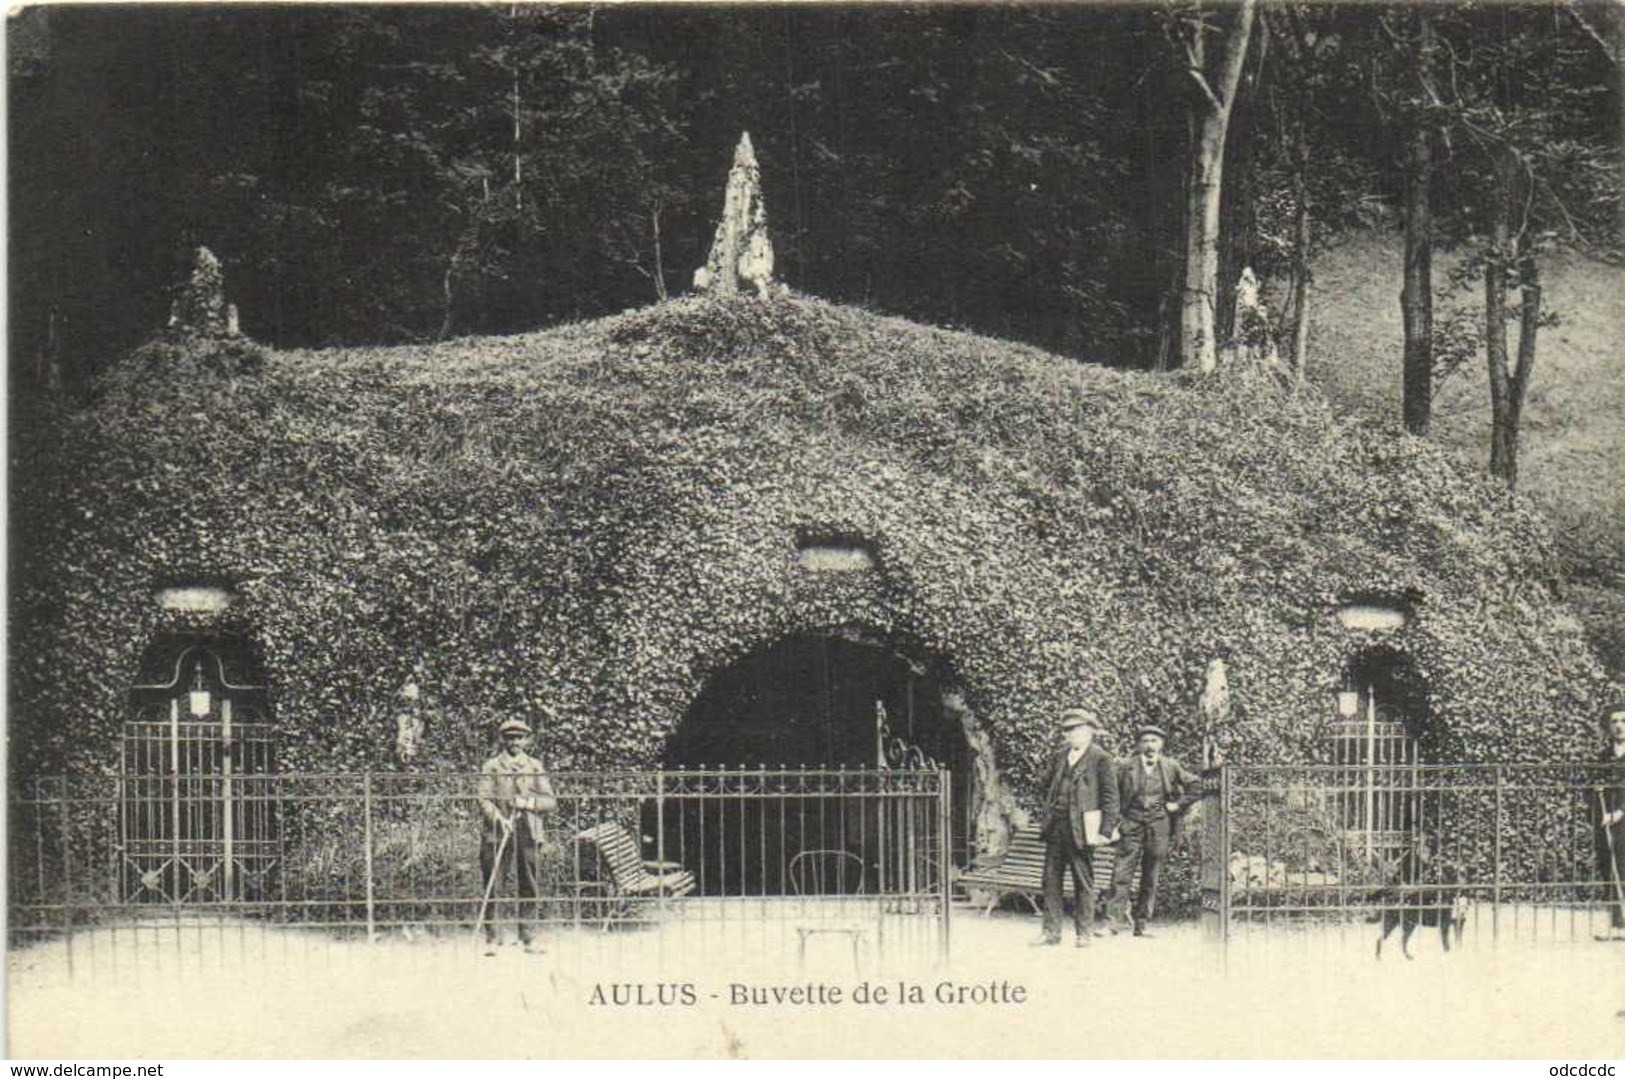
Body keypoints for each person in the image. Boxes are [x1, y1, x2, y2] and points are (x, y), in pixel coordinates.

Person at [1034, 707, 1119, 948]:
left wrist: (1105, 830)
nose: (1071, 735)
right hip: (1056, 827)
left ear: (1090, 731)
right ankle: (1051, 933)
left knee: (1084, 882)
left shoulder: (1101, 758)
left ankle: (1084, 933)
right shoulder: (1061, 756)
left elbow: (1111, 796)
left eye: (1076, 730)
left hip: (1082, 830)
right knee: (1050, 881)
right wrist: (1050, 804)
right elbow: (1045, 784)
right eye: (1068, 731)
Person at [1108, 724, 1202, 937]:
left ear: (1161, 744)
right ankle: (1113, 921)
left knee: (1151, 876)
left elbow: (1197, 785)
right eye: (1146, 741)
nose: (1150, 745)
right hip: (1131, 824)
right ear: (1139, 744)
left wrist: (1178, 804)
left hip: (1159, 826)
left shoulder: (1171, 766)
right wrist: (1115, 822)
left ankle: (1142, 924)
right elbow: (1112, 795)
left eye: (1154, 741)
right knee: (1121, 873)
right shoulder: (1125, 766)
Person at [476, 716, 558, 955]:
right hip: (496, 833)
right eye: (510, 738)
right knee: (494, 883)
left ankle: (528, 937)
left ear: (526, 740)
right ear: (503, 740)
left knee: (529, 883)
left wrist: (528, 802)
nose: (515, 742)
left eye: (519, 738)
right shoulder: (491, 766)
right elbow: (483, 798)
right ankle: (493, 939)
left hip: (528, 831)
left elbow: (550, 800)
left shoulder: (534, 766)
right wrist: (498, 819)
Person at [1596, 707, 1625, 941]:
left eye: (1624, 720)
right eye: (1614, 721)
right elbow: (1595, 787)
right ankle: (1618, 921)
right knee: (1610, 867)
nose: (1619, 725)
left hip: (1622, 817)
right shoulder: (1604, 756)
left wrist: (1620, 812)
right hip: (1608, 822)